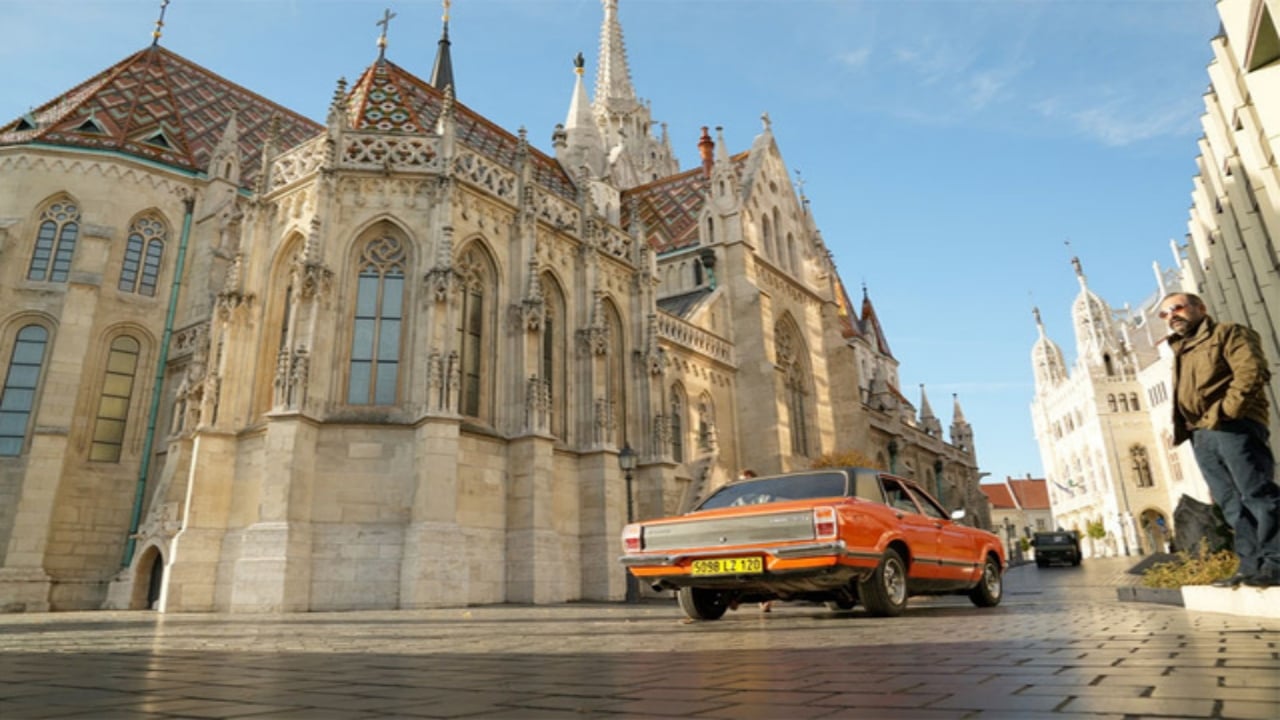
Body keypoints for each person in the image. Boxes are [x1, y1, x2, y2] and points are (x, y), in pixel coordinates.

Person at [1161, 292, 1280, 588]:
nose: (1172, 316)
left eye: (1177, 308)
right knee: (1229, 504)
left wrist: (1224, 412)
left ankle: (1276, 563)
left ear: (1200, 307)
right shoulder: (1181, 349)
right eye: (1164, 314)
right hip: (1201, 434)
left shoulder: (1228, 333)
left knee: (1257, 494)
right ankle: (1250, 566)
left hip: (1233, 426)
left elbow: (1252, 371)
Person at [736, 468, 773, 611]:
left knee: (762, 569)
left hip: (759, 534)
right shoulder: (738, 499)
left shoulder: (763, 497)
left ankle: (766, 599)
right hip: (742, 535)